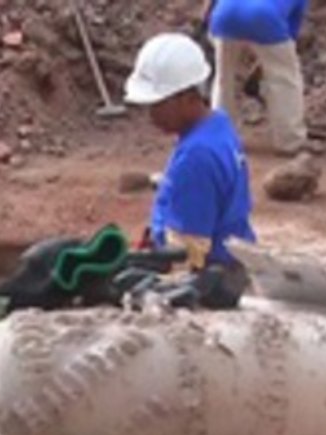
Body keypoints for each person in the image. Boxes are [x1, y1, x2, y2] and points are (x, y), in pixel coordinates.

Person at [125, 32, 255, 309]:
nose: (151, 115)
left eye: (158, 104)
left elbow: (187, 255)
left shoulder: (196, 158)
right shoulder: (217, 125)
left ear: (187, 97)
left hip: (210, 281)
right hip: (232, 265)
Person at [202, 0, 308, 156]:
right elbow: (289, 37)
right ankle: (289, 141)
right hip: (264, 18)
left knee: (224, 79)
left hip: (224, 16)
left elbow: (208, 10)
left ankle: (221, 137)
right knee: (284, 79)